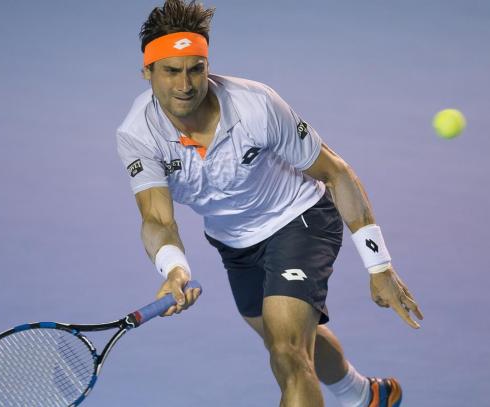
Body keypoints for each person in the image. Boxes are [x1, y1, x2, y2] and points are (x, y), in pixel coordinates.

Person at [116, 1, 424, 406]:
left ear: (208, 66)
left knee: (288, 353)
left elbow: (336, 173)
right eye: (171, 71)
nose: (185, 84)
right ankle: (362, 395)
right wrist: (175, 270)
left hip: (299, 218)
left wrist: (379, 265)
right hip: (234, 243)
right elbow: (156, 217)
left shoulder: (255, 105)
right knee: (288, 343)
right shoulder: (138, 134)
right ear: (147, 73)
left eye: (196, 68)